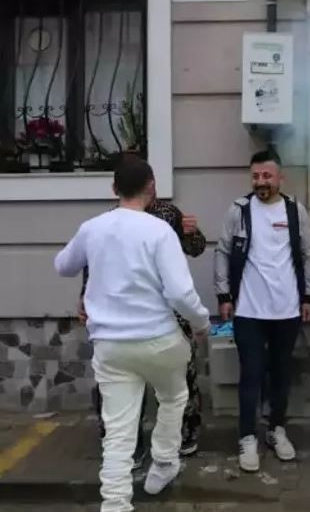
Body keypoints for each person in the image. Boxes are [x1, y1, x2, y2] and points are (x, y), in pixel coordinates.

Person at [54, 156, 210, 511]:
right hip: (160, 339)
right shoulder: (160, 230)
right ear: (152, 187)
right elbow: (181, 294)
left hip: (110, 345)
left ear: (114, 189)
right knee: (173, 398)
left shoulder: (93, 227)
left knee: (118, 435)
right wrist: (201, 324)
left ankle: (115, 504)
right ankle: (165, 463)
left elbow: (63, 266)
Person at [80, 190, 207, 465]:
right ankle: (128, 447)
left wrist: (191, 232)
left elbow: (196, 249)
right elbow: (93, 265)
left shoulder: (168, 214)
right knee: (121, 389)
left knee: (180, 382)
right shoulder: (109, 221)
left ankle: (182, 439)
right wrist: (84, 298)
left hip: (169, 316)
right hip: (120, 317)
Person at [214, 148, 310, 473]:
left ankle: (276, 430)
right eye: (256, 176)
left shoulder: (295, 211)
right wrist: (223, 295)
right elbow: (223, 251)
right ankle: (246, 438)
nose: (261, 182)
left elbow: (307, 254)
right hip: (248, 312)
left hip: (287, 312)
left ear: (279, 177)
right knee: (251, 375)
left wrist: (308, 297)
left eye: (267, 176)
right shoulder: (239, 210)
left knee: (281, 375)